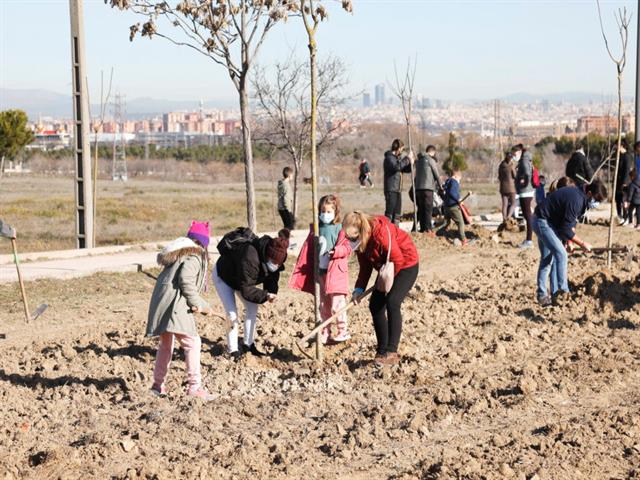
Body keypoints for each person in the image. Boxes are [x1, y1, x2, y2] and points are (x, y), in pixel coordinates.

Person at [146, 221, 215, 400]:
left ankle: (157, 385)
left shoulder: (180, 254)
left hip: (163, 303)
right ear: (204, 243)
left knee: (166, 345)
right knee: (193, 343)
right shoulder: (194, 255)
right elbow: (186, 281)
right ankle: (194, 387)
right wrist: (200, 304)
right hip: (175, 305)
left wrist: (199, 304)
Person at [343, 212, 419, 365]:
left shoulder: (381, 234)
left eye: (352, 238)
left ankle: (391, 352)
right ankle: (382, 350)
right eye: (348, 238)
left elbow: (397, 259)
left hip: (405, 264)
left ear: (362, 230)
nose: (350, 241)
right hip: (387, 267)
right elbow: (365, 268)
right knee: (376, 305)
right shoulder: (361, 243)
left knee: (392, 301)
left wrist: (386, 283)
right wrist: (358, 290)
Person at [213, 227, 290, 359]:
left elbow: (272, 278)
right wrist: (265, 295)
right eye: (274, 263)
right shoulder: (250, 256)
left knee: (252, 307)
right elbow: (247, 290)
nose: (276, 266)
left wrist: (272, 292)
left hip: (240, 279)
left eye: (279, 263)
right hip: (224, 277)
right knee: (232, 313)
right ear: (267, 255)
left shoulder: (275, 260)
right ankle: (233, 350)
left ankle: (248, 344)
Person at [532, 180, 608, 307]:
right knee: (561, 255)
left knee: (550, 258)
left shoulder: (581, 199)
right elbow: (565, 229)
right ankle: (563, 293)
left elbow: (570, 223)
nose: (597, 204)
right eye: (596, 200)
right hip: (542, 221)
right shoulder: (576, 199)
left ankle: (553, 294)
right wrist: (582, 243)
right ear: (589, 193)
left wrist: (569, 241)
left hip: (551, 224)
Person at [289, 195, 352, 344]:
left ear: (335, 212)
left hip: (335, 273)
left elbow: (347, 248)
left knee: (337, 305)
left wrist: (336, 251)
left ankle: (343, 330)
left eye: (329, 211)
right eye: (323, 210)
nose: (325, 214)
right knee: (323, 305)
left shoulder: (339, 228)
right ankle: (325, 332)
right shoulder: (316, 228)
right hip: (320, 273)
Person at [383, 139, 414, 225]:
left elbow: (404, 169)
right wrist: (407, 158)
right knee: (390, 213)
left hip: (398, 189)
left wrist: (411, 163)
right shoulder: (389, 158)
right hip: (391, 189)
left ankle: (396, 232)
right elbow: (397, 167)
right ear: (398, 148)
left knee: (397, 214)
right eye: (401, 149)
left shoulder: (397, 159)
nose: (401, 151)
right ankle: (387, 231)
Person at [414, 145, 443, 236]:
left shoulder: (418, 161)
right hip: (428, 188)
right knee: (428, 210)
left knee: (421, 209)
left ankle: (422, 229)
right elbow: (436, 174)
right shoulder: (430, 160)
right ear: (433, 152)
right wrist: (441, 187)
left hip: (418, 189)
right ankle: (428, 229)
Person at [437, 169, 467, 245]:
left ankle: (437, 233)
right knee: (460, 223)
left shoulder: (447, 182)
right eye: (459, 179)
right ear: (456, 176)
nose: (459, 181)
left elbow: (444, 193)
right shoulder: (454, 182)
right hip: (453, 207)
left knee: (447, 223)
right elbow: (452, 193)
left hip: (446, 207)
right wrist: (458, 199)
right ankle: (463, 240)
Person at [516, 149, 535, 249]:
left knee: (528, 216)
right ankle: (528, 239)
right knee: (528, 216)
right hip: (528, 192)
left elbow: (527, 174)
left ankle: (529, 241)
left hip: (525, 192)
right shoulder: (528, 161)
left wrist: (523, 184)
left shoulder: (524, 161)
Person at [616, 139, 633, 225]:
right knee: (618, 199)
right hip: (618, 182)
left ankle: (626, 217)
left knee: (624, 200)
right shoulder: (619, 155)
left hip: (625, 182)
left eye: (617, 145)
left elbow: (627, 170)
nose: (616, 147)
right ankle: (620, 216)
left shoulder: (627, 156)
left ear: (622, 146)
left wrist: (625, 182)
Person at [498, 151, 517, 223]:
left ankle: (504, 219)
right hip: (511, 188)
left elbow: (499, 177)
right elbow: (515, 176)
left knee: (504, 204)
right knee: (513, 203)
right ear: (511, 158)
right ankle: (508, 217)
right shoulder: (511, 165)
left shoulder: (501, 165)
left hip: (503, 187)